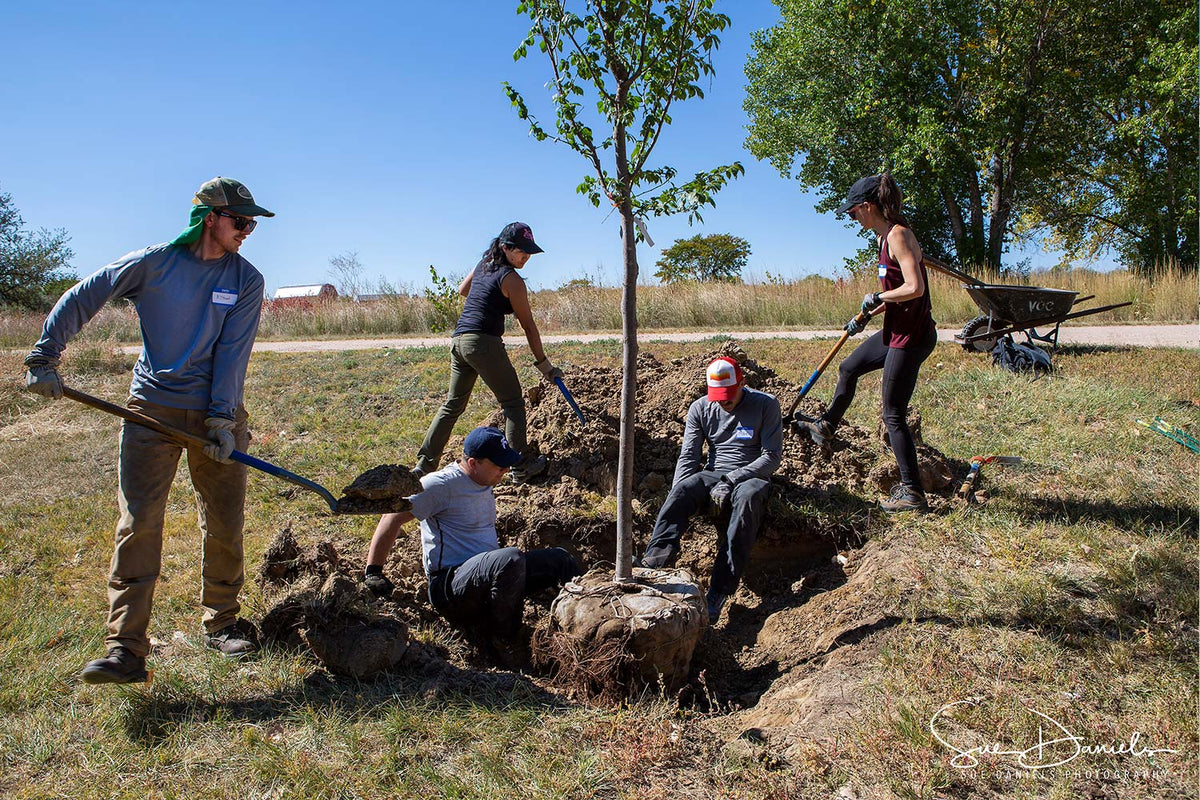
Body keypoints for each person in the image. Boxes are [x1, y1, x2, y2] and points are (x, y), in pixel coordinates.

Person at [23, 177, 273, 684]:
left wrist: (223, 419)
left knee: (223, 519)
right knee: (138, 522)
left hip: (216, 418)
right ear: (210, 219)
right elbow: (82, 295)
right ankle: (126, 647)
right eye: (241, 221)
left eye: (251, 223)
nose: (248, 231)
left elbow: (233, 355)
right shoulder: (153, 263)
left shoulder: (247, 280)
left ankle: (223, 621)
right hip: (150, 413)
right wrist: (44, 355)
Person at [364, 426, 582, 664]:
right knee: (510, 559)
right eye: (499, 465)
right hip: (451, 587)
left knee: (560, 559)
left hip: (487, 579)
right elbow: (392, 516)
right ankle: (504, 641)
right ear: (473, 463)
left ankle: (587, 621)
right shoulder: (440, 485)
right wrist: (373, 571)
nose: (505, 470)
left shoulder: (484, 480)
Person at [795, 173, 937, 513]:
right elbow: (898, 292)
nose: (851, 218)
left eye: (853, 211)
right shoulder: (882, 238)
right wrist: (867, 314)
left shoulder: (899, 235)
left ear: (868, 206)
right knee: (849, 367)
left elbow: (914, 287)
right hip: (895, 331)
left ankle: (913, 493)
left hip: (911, 336)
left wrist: (876, 296)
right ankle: (827, 425)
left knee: (893, 414)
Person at [414, 222, 562, 484]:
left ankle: (424, 465)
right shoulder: (512, 280)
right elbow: (528, 325)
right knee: (514, 404)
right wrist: (544, 365)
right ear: (505, 247)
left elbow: (463, 290)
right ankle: (519, 468)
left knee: (453, 405)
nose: (526, 257)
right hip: (483, 343)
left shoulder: (484, 264)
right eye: (521, 251)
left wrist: (490, 298)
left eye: (529, 252)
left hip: (460, 341)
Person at [639, 357, 783, 624]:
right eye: (717, 396)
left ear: (743, 382)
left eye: (729, 395)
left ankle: (719, 590)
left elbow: (772, 457)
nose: (723, 402)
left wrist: (732, 479)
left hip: (752, 474)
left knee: (747, 499)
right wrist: (679, 493)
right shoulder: (701, 408)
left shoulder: (766, 404)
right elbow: (689, 457)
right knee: (683, 491)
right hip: (713, 472)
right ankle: (652, 565)